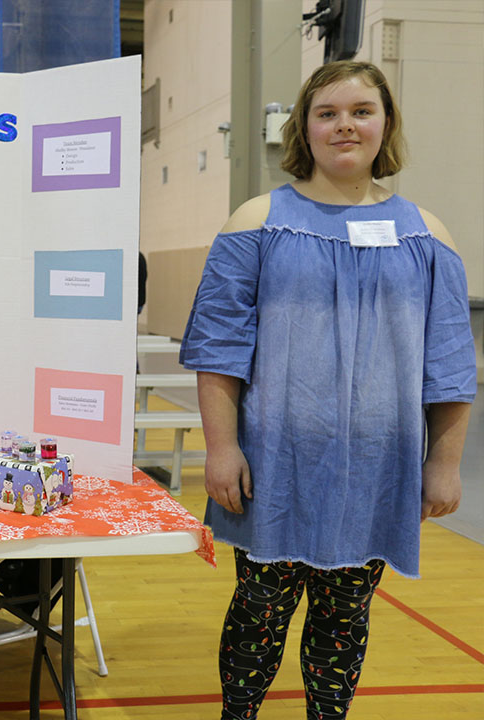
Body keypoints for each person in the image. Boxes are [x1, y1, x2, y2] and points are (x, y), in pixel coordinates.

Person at [179, 60, 475, 720]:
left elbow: (450, 363)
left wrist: (444, 463)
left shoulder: (428, 235)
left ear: (385, 124)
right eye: (328, 113)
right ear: (304, 128)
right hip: (273, 469)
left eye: (362, 111)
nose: (345, 125)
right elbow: (219, 350)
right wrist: (221, 449)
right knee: (258, 612)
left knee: (345, 617)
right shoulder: (256, 221)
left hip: (375, 473)